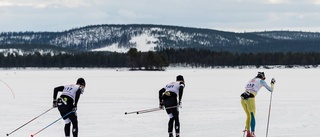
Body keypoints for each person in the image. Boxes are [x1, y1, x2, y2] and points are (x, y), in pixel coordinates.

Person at [240, 72, 275, 137]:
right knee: (252, 115)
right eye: (264, 78)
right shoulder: (261, 81)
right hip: (250, 99)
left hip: (243, 99)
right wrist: (272, 83)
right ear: (262, 77)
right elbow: (271, 90)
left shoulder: (251, 80)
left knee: (248, 116)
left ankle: (248, 133)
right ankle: (252, 133)